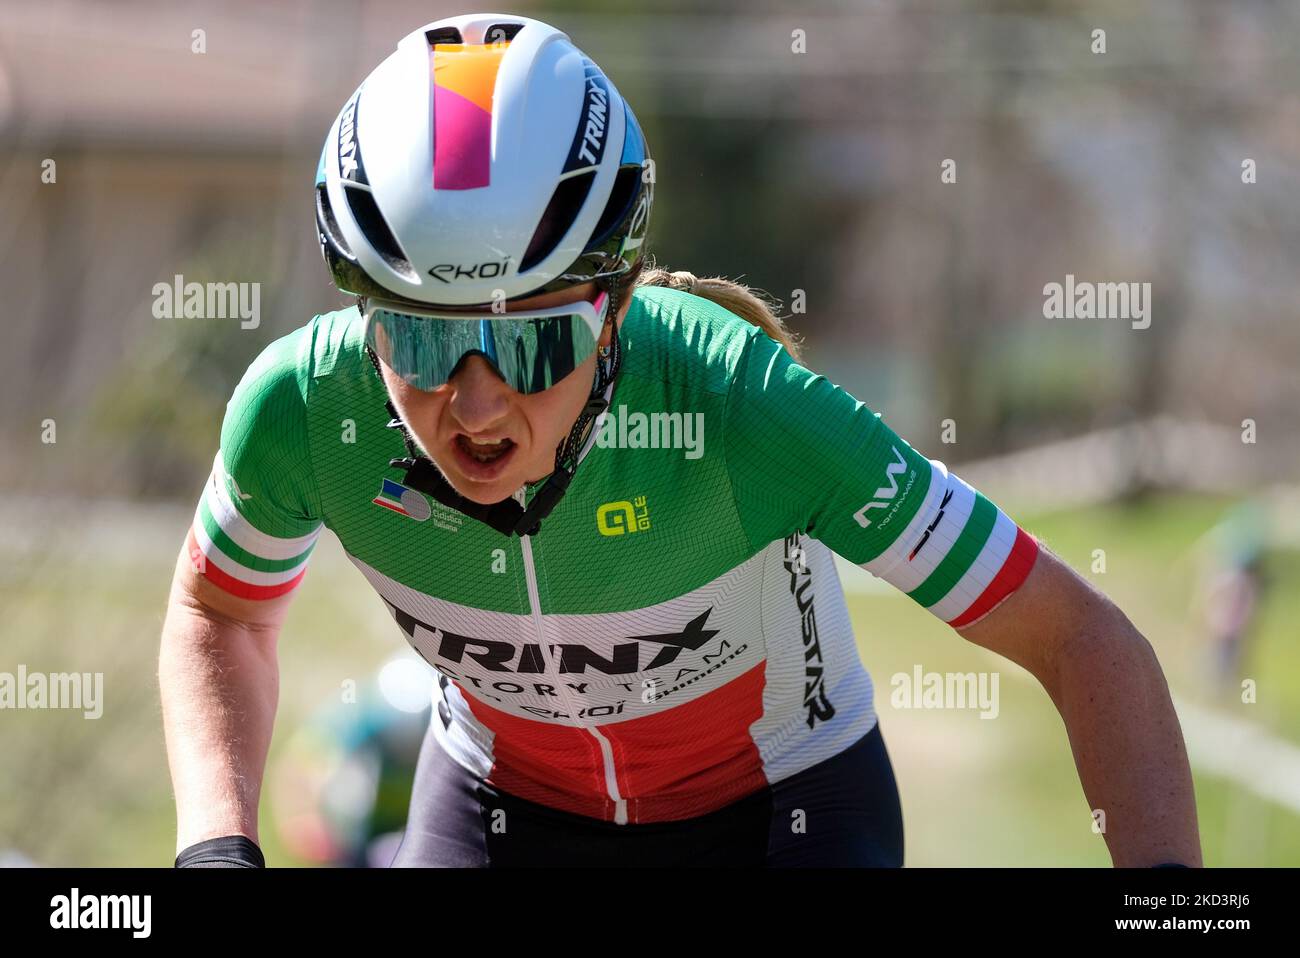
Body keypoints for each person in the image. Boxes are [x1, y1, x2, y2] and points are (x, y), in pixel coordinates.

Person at [160, 12, 1202, 867]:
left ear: (614, 311)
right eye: (422, 341)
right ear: (361, 311)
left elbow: (1081, 638)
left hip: (779, 811)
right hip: (497, 800)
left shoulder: (739, 403)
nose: (474, 409)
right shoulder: (301, 408)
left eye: (532, 347)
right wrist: (214, 846)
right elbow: (220, 616)